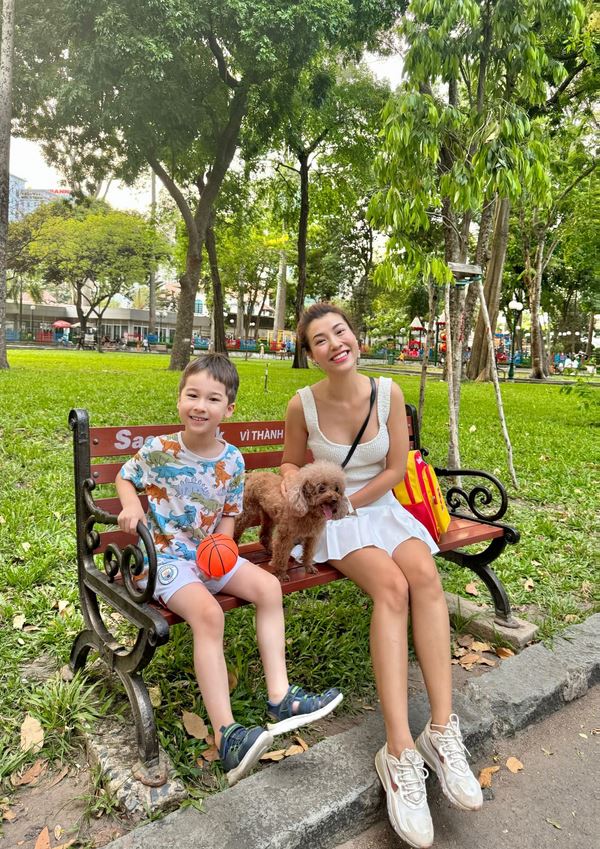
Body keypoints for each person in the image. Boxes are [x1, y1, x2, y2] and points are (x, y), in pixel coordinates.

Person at [280, 304, 482, 848]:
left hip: (379, 507)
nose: (334, 344)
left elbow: (396, 468)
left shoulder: (388, 392)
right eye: (320, 340)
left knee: (426, 579)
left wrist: (354, 500)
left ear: (355, 336)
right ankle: (398, 750)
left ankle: (442, 731)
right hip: (333, 522)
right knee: (391, 588)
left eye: (340, 331)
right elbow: (290, 463)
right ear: (311, 354)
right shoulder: (302, 404)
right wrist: (304, 491)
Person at [115, 352, 342, 786]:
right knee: (209, 615)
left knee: (269, 588)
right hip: (166, 561)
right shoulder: (160, 451)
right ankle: (227, 734)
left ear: (229, 408)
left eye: (212, 398)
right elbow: (125, 477)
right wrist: (130, 505)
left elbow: (230, 515)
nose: (200, 406)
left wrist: (222, 544)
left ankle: (281, 697)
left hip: (210, 556)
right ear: (180, 399)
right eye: (192, 395)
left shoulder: (233, 460)